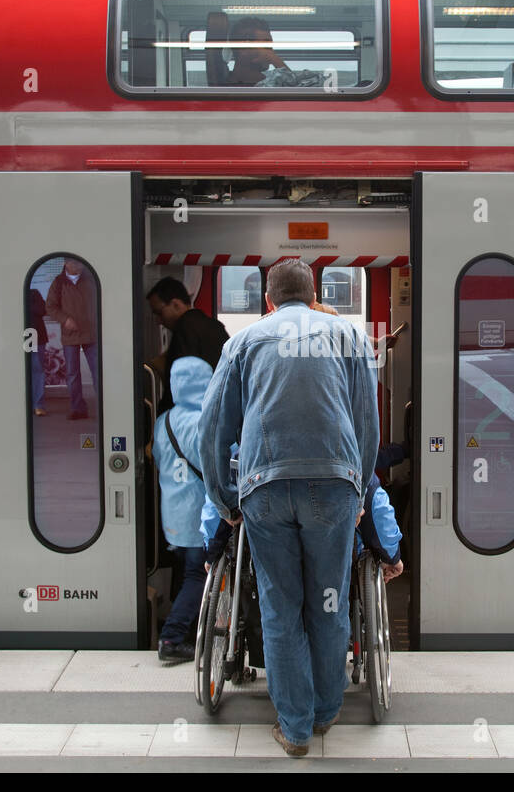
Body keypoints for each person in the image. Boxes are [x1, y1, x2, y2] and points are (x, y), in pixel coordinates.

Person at [199, 258, 379, 757]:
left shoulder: (244, 342)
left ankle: (295, 728)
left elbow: (211, 431)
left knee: (280, 608)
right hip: (334, 488)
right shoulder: (347, 337)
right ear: (316, 292)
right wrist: (360, 491)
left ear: (268, 301)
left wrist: (223, 499)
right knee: (328, 601)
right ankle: (326, 712)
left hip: (265, 489)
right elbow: (368, 427)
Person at [152, 356, 215, 663]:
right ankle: (173, 638)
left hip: (172, 515)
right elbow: (215, 465)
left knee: (185, 574)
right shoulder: (203, 421)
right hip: (197, 515)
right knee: (197, 576)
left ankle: (183, 626)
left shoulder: (162, 421)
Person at [146, 277, 229, 408]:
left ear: (176, 304)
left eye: (159, 313)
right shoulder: (216, 326)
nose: (158, 321)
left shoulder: (184, 330)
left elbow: (179, 386)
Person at [46, 258, 99, 420]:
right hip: (70, 335)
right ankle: (78, 408)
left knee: (98, 371)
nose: (78, 267)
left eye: (80, 264)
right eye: (74, 264)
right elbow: (50, 306)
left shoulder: (91, 278)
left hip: (91, 333)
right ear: (65, 264)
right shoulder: (59, 282)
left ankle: (104, 406)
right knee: (72, 374)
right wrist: (65, 319)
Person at [226, 17, 288, 86]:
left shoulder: (268, 83)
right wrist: (275, 60)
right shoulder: (223, 87)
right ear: (244, 49)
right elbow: (293, 89)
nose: (270, 53)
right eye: (266, 46)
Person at [28, 287, 48, 417]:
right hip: (18, 336)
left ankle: (38, 405)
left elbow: (42, 310)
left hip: (35, 336)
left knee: (37, 370)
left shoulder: (33, 292)